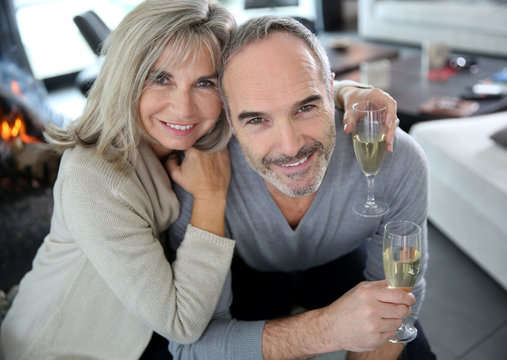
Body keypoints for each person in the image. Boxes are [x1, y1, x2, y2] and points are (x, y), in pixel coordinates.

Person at [168, 16, 435, 360]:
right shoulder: (194, 179)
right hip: (244, 273)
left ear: (332, 91)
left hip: (339, 261)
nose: (291, 146)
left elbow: (399, 301)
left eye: (306, 107)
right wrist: (325, 329)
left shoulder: (397, 159)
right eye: (257, 119)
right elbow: (190, 347)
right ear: (227, 115)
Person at [0, 1, 237, 359]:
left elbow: (281, 85)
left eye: (205, 82)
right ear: (126, 76)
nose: (184, 107)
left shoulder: (185, 143)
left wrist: (345, 92)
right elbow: (181, 323)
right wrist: (210, 197)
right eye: (161, 78)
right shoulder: (93, 175)